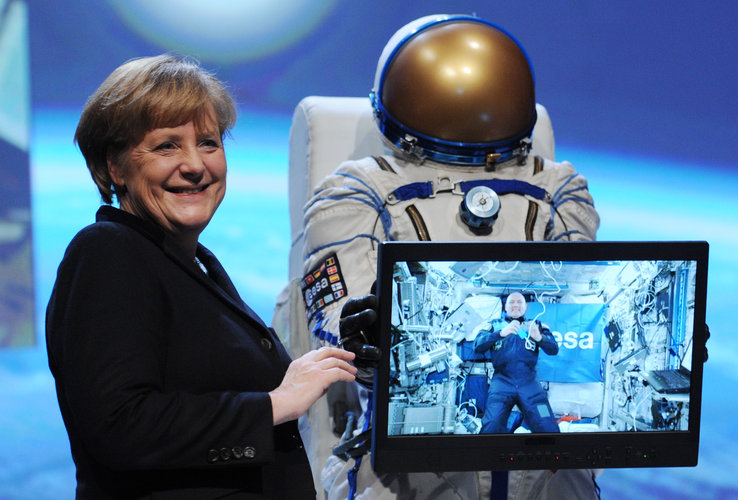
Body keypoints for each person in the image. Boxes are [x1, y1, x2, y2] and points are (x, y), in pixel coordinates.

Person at [283, 14, 603, 500]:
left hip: (542, 457)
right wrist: (363, 329)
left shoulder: (558, 187)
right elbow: (339, 312)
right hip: (414, 455)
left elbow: (584, 297)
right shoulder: (357, 190)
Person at [45, 54, 358, 499]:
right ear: (115, 167)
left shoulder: (192, 263)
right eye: (166, 146)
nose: (195, 165)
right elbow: (120, 424)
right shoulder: (107, 251)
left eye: (209, 143)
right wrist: (274, 404)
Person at [473, 292, 560, 434]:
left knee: (547, 423)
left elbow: (554, 349)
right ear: (505, 307)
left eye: (519, 302)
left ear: (525, 307)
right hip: (501, 384)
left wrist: (539, 338)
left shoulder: (537, 324)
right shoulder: (493, 325)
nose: (515, 305)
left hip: (531, 386)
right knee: (491, 424)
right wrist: (500, 334)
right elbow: (477, 346)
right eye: (511, 302)